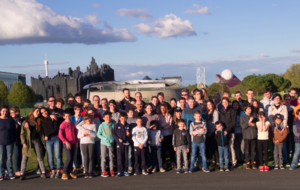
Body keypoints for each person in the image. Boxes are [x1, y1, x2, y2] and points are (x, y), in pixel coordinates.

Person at [19, 108, 47, 180]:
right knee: (25, 157)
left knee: (39, 156)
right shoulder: (26, 121)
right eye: (36, 111)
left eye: (39, 112)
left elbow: (46, 118)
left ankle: (43, 171)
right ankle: (22, 173)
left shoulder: (39, 120)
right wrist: (23, 142)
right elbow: (22, 134)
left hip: (36, 140)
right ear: (32, 112)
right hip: (28, 141)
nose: (38, 113)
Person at [41, 107, 61, 179]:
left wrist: (47, 135)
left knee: (58, 155)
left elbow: (56, 129)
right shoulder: (41, 121)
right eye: (42, 112)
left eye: (45, 111)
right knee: (50, 156)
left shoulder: (52, 118)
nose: (44, 113)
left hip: (56, 138)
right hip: (48, 140)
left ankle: (58, 170)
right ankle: (52, 170)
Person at [58, 111, 78, 180]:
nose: (67, 117)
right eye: (66, 116)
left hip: (73, 142)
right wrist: (66, 142)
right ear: (63, 117)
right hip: (67, 143)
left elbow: (75, 133)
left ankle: (70, 171)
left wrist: (76, 142)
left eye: (69, 116)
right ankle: (64, 172)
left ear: (71, 116)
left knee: (72, 158)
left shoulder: (72, 124)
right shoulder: (63, 124)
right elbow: (60, 135)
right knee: (68, 158)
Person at [219, 97, 237, 169]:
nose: (225, 103)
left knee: (231, 147)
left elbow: (233, 123)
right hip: (223, 131)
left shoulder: (232, 111)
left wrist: (227, 130)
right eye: (223, 102)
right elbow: (220, 121)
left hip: (231, 131)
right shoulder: (221, 110)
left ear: (228, 102)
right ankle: (228, 161)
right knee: (225, 148)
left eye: (226, 102)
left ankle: (233, 162)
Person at [0, 105, 17, 180]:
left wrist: (15, 139)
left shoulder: (11, 120)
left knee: (9, 157)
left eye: (6, 111)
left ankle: (10, 173)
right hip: (1, 142)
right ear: (0, 112)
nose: (5, 112)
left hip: (10, 141)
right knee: (1, 158)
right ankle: (1, 173)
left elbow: (14, 130)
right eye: (3, 111)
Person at [77, 114, 96, 178]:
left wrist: (88, 132)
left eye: (89, 118)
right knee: (85, 157)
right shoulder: (82, 126)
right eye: (86, 119)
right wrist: (84, 134)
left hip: (91, 142)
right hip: (83, 143)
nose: (88, 120)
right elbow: (78, 136)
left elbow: (94, 135)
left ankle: (90, 171)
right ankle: (86, 171)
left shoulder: (93, 125)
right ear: (84, 120)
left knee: (91, 157)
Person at [112, 112, 131, 177]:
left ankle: (125, 170)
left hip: (126, 143)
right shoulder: (116, 125)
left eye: (124, 118)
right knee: (119, 157)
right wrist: (118, 139)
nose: (123, 120)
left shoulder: (128, 125)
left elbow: (130, 135)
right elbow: (114, 134)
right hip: (119, 143)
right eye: (122, 118)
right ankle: (119, 171)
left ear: (126, 118)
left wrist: (128, 135)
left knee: (126, 157)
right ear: (119, 118)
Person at [97, 112, 115, 177]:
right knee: (104, 157)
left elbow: (114, 134)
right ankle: (103, 170)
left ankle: (111, 169)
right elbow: (98, 134)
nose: (108, 118)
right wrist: (104, 138)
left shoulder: (113, 125)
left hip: (111, 143)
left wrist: (113, 139)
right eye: (106, 117)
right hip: (104, 143)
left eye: (109, 117)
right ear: (103, 118)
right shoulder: (101, 125)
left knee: (111, 157)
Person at [240, 102, 258, 170]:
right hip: (246, 136)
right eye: (248, 109)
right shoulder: (243, 117)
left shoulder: (254, 116)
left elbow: (257, 125)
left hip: (253, 135)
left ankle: (254, 162)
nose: (249, 110)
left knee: (253, 150)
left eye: (250, 109)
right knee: (247, 150)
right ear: (245, 110)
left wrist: (253, 124)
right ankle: (248, 162)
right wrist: (248, 123)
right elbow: (243, 126)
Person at [158, 104, 175, 169]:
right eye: (161, 108)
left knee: (171, 148)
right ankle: (164, 162)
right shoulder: (158, 116)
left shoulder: (169, 115)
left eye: (164, 108)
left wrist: (163, 126)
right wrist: (166, 124)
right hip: (162, 135)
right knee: (163, 149)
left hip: (169, 134)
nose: (163, 109)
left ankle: (172, 161)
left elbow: (170, 125)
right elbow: (159, 125)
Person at [9, 106, 24, 177]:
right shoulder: (11, 120)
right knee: (16, 154)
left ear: (17, 112)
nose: (11, 114)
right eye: (10, 112)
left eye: (12, 112)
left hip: (22, 140)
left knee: (21, 154)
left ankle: (21, 169)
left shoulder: (21, 119)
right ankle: (17, 170)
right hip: (15, 140)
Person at [206, 100, 220, 169]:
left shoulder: (215, 112)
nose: (209, 106)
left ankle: (218, 162)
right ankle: (213, 161)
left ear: (213, 104)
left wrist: (211, 133)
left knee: (215, 148)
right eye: (207, 104)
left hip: (213, 133)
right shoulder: (208, 112)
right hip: (208, 133)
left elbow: (215, 123)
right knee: (211, 148)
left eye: (210, 104)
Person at [70, 105, 83, 173]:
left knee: (82, 152)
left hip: (81, 136)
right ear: (74, 110)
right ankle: (74, 166)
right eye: (77, 109)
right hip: (73, 137)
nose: (78, 111)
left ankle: (83, 166)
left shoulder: (83, 118)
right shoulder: (71, 117)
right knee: (74, 152)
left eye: (79, 109)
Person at [232, 100, 244, 165]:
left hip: (241, 131)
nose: (235, 106)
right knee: (236, 146)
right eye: (234, 105)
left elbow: (245, 120)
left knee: (242, 146)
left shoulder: (242, 112)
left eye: (236, 105)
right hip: (235, 132)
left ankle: (242, 159)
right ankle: (238, 159)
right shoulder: (232, 112)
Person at [284, 94, 295, 166]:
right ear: (284, 100)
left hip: (292, 127)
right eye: (286, 99)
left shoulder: (293, 108)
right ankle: (286, 158)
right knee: (286, 143)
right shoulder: (283, 108)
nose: (288, 101)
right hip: (285, 128)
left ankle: (294, 158)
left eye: (289, 99)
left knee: (293, 143)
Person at [126, 107, 136, 174]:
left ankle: (136, 166)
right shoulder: (125, 119)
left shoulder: (136, 119)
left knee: (135, 153)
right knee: (129, 153)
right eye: (130, 112)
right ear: (127, 113)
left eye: (132, 112)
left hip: (135, 139)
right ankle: (130, 166)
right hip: (128, 139)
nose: (132, 113)